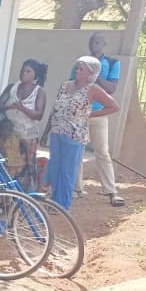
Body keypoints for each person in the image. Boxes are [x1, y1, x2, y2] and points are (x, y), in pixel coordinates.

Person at [42, 56, 119, 210]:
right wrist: (46, 132)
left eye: (81, 69)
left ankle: (61, 205)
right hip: (57, 132)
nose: (77, 71)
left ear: (91, 73)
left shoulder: (93, 89)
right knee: (55, 167)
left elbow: (114, 106)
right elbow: (55, 108)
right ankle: (54, 200)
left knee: (67, 170)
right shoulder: (65, 85)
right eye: (76, 68)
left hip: (74, 135)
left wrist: (89, 114)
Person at [72, 32, 123, 205]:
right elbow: (72, 85)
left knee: (102, 152)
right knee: (77, 151)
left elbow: (111, 89)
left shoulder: (112, 63)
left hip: (99, 114)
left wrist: (94, 74)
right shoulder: (80, 63)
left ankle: (111, 190)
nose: (94, 44)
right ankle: (77, 188)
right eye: (92, 41)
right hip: (79, 114)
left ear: (104, 44)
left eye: (98, 42)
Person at [0, 60, 47, 192]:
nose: (24, 73)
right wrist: (9, 107)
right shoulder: (12, 88)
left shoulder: (39, 92)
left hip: (28, 135)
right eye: (23, 70)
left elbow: (38, 115)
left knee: (26, 167)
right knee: (9, 164)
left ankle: (23, 194)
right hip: (9, 132)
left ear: (35, 75)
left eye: (28, 71)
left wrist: (22, 108)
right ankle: (5, 195)